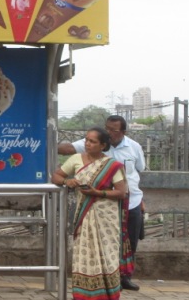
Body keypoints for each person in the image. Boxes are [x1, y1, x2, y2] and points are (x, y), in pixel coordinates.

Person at [58, 114, 146, 290]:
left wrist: (141, 199)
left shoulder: (134, 147)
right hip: (101, 205)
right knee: (105, 241)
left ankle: (125, 277)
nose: (109, 132)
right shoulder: (91, 145)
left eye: (113, 130)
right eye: (107, 128)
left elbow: (137, 173)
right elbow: (66, 150)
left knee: (129, 240)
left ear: (123, 132)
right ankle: (105, 278)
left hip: (131, 201)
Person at [52, 127, 129, 300]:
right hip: (84, 215)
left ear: (103, 145)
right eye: (86, 140)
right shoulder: (76, 160)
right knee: (84, 256)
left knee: (105, 256)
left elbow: (121, 192)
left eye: (93, 141)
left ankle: (106, 297)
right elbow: (56, 175)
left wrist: (97, 193)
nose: (87, 144)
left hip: (106, 218)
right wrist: (66, 182)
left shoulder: (113, 165)